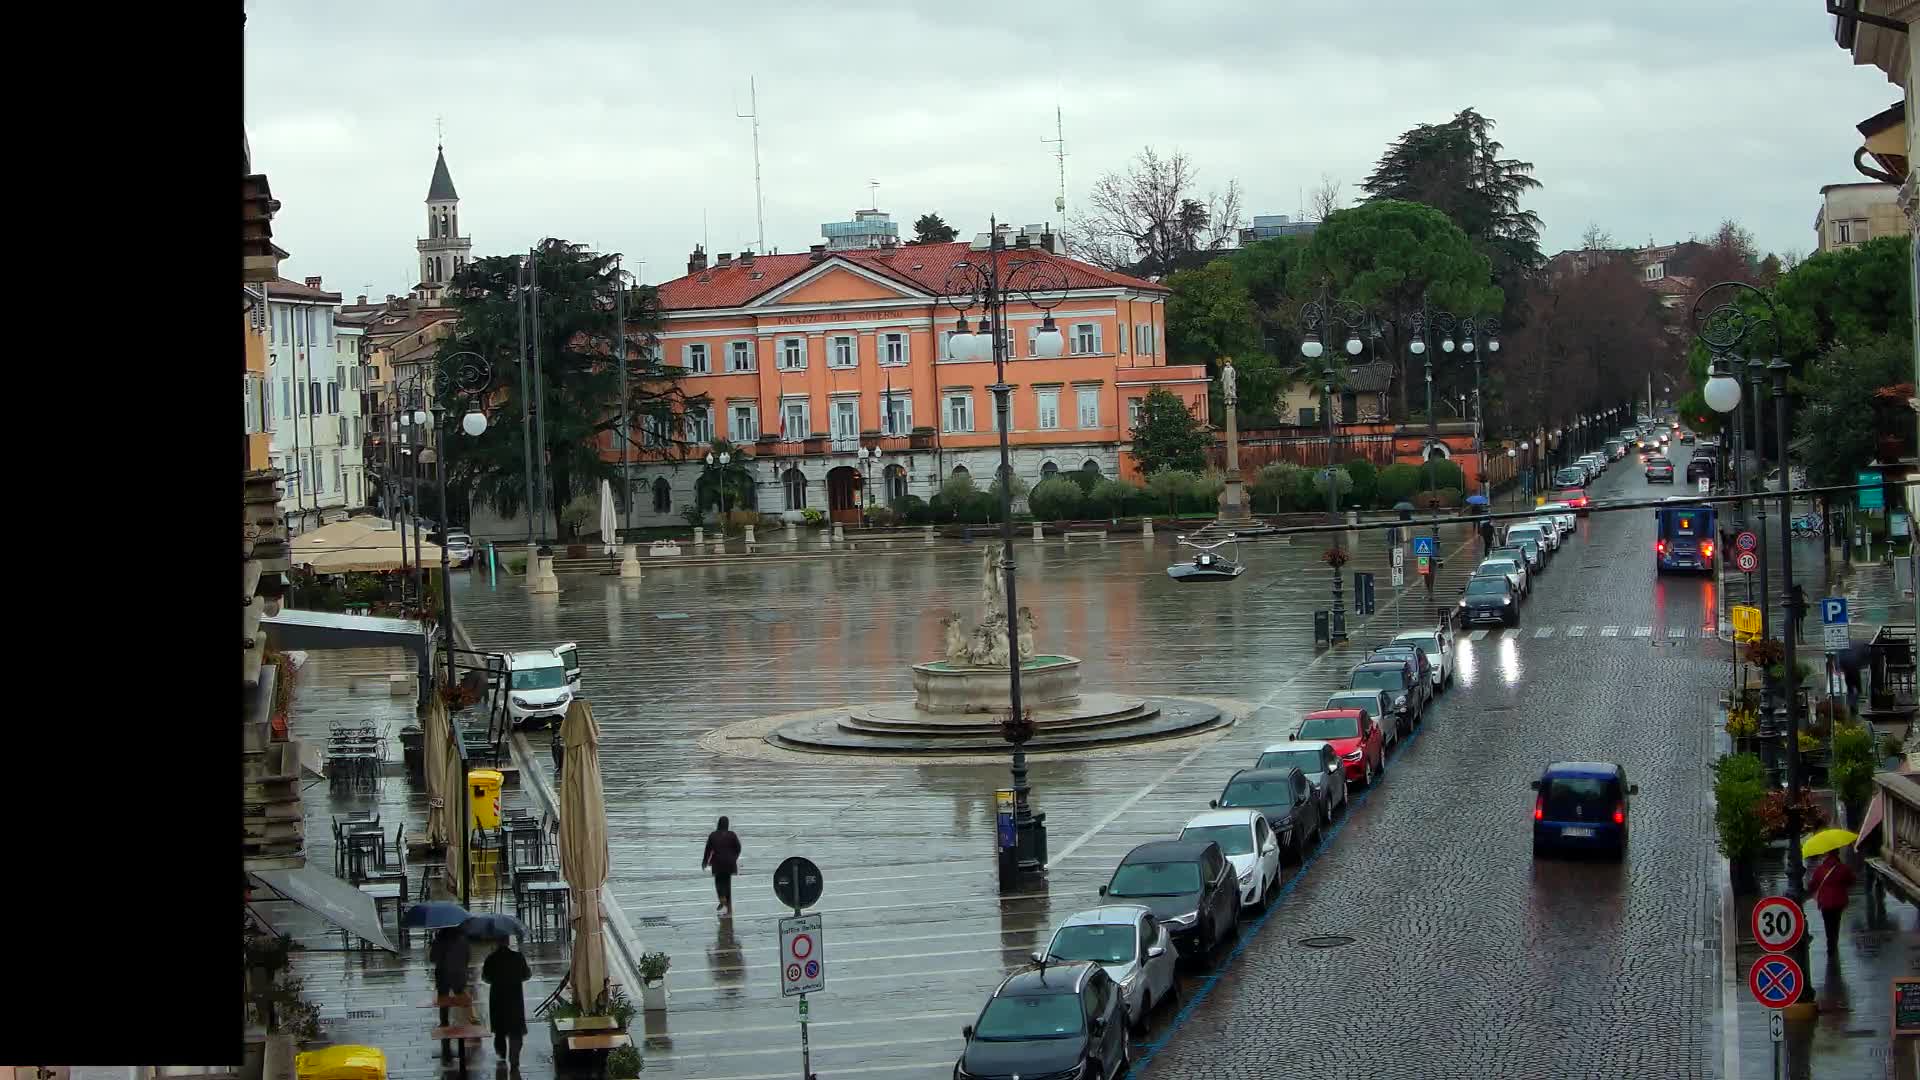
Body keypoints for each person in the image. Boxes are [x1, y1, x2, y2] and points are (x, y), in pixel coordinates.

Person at [482, 938, 532, 1075]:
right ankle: (514, 1060)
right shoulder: (518, 957)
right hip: (515, 999)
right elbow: (527, 975)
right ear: (508, 942)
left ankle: (502, 1055)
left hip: (498, 999)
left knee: (499, 1031)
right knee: (516, 1031)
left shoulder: (491, 958)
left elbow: (485, 977)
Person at [428, 925, 471, 1061]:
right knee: (461, 998)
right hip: (459, 975)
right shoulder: (462, 940)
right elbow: (467, 957)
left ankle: (444, 1026)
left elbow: (432, 958)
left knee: (443, 1003)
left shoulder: (439, 940)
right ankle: (463, 1024)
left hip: (443, 975)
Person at [1809, 850, 1856, 955]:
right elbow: (1851, 881)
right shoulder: (1843, 868)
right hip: (1838, 901)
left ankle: (1830, 943)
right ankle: (1834, 942)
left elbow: (1813, 885)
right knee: (1836, 922)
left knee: (1828, 923)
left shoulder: (1820, 869)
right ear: (1838, 854)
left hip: (1825, 902)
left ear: (1826, 855)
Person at [701, 815, 742, 918]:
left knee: (718, 883)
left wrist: (705, 862)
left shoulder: (713, 835)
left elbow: (708, 850)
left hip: (718, 863)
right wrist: (734, 857)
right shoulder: (732, 835)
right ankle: (729, 911)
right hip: (729, 864)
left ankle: (722, 899)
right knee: (727, 886)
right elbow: (738, 848)